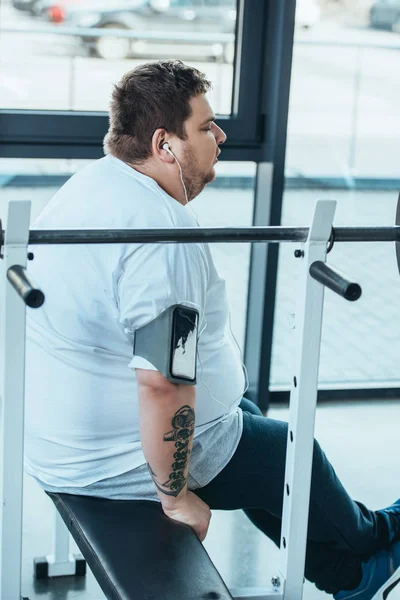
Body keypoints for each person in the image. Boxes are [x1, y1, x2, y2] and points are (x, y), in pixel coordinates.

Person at [25, 59, 400, 599]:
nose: (221, 136)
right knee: (293, 455)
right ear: (165, 144)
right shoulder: (160, 240)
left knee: (250, 426)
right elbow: (164, 383)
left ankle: (357, 559)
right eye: (206, 126)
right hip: (111, 459)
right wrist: (175, 496)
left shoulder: (99, 183)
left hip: (77, 436)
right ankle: (371, 550)